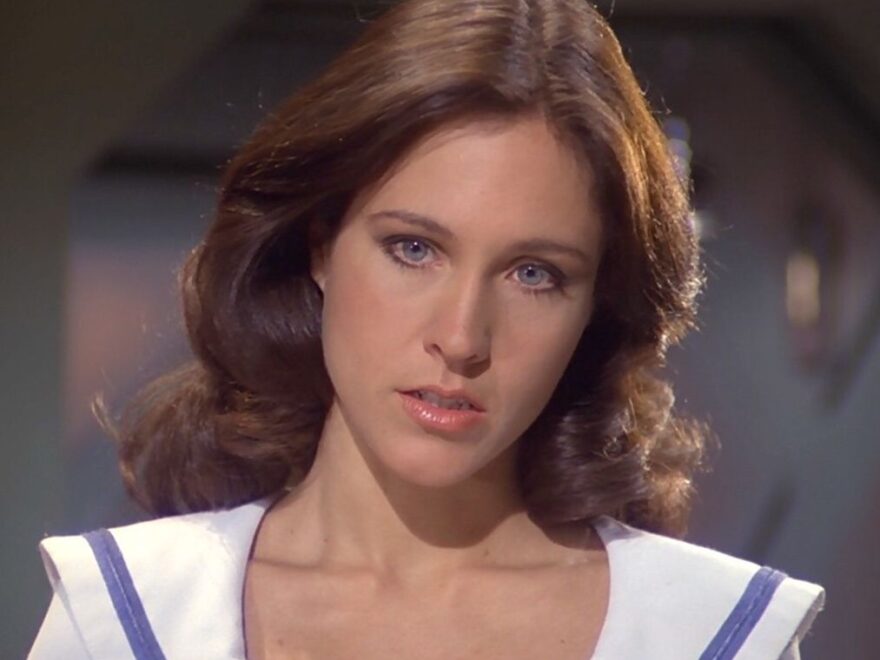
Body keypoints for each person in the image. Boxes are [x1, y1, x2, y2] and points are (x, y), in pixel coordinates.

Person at [28, 0, 824, 658]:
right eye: (414, 249)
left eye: (534, 274)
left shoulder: (712, 633)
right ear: (320, 246)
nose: (462, 337)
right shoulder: (131, 617)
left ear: (596, 307)